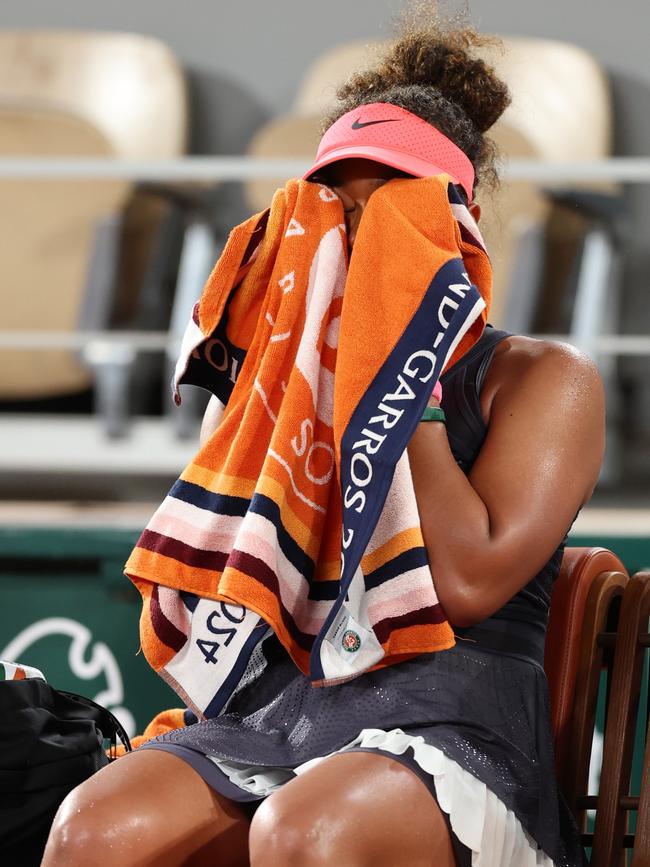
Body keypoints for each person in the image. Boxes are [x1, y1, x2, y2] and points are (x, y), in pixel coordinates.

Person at [42, 20, 604, 867]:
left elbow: (461, 585)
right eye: (334, 208)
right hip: (288, 705)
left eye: (388, 215)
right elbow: (224, 582)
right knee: (93, 828)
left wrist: (398, 374)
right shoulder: (270, 388)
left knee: (308, 831)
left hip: (455, 715)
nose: (358, 242)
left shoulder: (544, 378)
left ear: (460, 223)